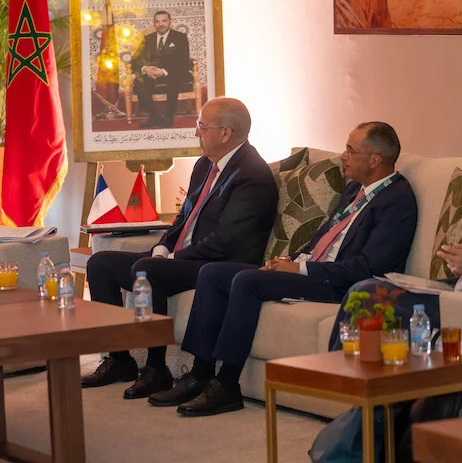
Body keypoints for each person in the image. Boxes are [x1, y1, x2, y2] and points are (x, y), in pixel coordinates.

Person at [157, 122, 418, 417]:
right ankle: (200, 373)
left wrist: (301, 270)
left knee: (247, 281)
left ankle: (227, 384)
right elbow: (323, 239)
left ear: (374, 160)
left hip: (338, 283)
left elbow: (369, 266)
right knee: (212, 273)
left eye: (350, 150)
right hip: (314, 268)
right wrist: (290, 260)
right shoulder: (355, 190)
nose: (342, 156)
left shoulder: (397, 201)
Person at [82, 98, 279, 399]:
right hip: (185, 258)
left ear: (225, 133)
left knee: (147, 270)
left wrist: (173, 258)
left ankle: (156, 368)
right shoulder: (204, 165)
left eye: (202, 126)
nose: (196, 132)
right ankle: (119, 359)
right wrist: (163, 246)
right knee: (100, 264)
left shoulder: (253, 174)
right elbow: (184, 217)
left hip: (220, 263)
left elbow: (226, 241)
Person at [327, 243, 462, 350]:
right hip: (455, 288)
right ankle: (338, 374)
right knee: (365, 289)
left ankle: (342, 378)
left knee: (370, 294)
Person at [131, 10, 191, 129]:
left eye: (164, 21)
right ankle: (154, 116)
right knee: (138, 82)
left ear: (169, 22)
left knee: (172, 79)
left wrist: (163, 72)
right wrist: (145, 68)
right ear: (154, 23)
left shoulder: (180, 37)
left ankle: (169, 117)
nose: (161, 24)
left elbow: (183, 60)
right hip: (152, 73)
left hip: (173, 72)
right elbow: (136, 59)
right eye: (157, 22)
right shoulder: (148, 38)